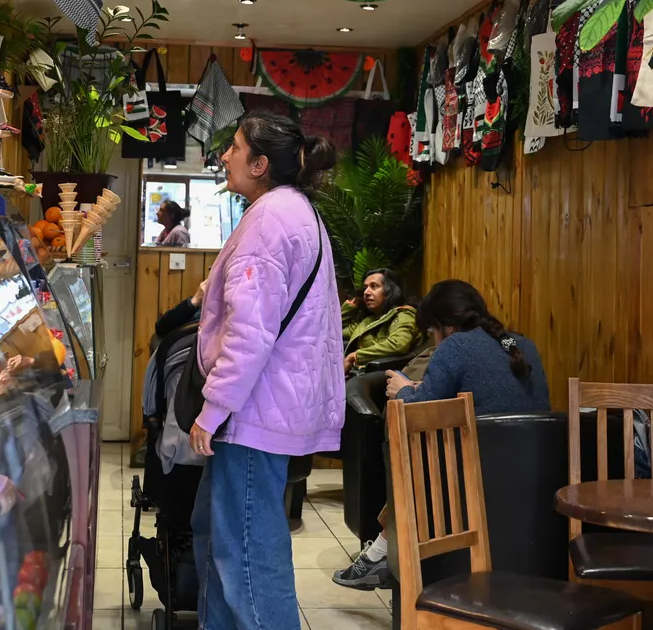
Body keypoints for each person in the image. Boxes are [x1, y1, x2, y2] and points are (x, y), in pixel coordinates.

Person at [188, 110, 344, 630]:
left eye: (234, 147)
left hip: (253, 413)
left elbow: (250, 334)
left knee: (249, 554)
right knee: (222, 539)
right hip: (264, 407)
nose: (224, 155)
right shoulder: (291, 211)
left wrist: (213, 409)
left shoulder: (270, 220)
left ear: (259, 164)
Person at [332, 279, 549, 590]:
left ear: (446, 327)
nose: (434, 341)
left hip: (477, 481)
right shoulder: (519, 344)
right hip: (534, 474)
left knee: (418, 457)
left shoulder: (455, 346)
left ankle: (379, 554)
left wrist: (404, 392)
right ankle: (378, 555)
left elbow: (416, 413)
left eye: (432, 333)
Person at [342, 268, 422, 373]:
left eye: (374, 286)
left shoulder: (404, 314)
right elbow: (334, 333)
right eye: (365, 287)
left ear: (389, 291)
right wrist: (349, 308)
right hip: (358, 373)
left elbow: (398, 344)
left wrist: (355, 356)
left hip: (380, 376)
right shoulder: (368, 320)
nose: (366, 292)